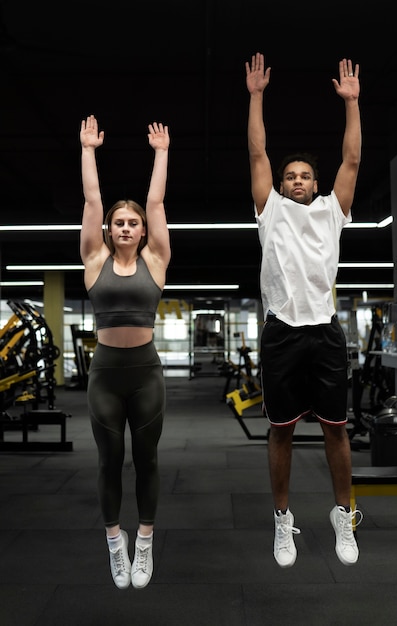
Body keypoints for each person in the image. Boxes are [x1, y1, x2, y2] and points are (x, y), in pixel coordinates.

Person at [245, 53, 362, 568]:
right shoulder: (269, 211)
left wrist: (352, 105)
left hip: (325, 332)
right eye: (290, 175)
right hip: (281, 333)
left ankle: (343, 515)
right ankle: (282, 521)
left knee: (336, 428)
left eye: (304, 175)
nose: (295, 180)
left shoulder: (332, 211)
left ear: (316, 184)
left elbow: (353, 161)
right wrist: (256, 96)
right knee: (282, 430)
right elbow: (256, 153)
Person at [79, 115, 171, 589]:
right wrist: (88, 150)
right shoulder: (94, 260)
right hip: (106, 375)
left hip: (146, 374)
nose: (127, 227)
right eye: (120, 223)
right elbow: (93, 200)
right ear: (109, 230)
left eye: (133, 223)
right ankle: (116, 543)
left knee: (149, 459)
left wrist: (162, 153)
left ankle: (146, 543)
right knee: (109, 458)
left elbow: (155, 201)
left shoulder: (156, 260)